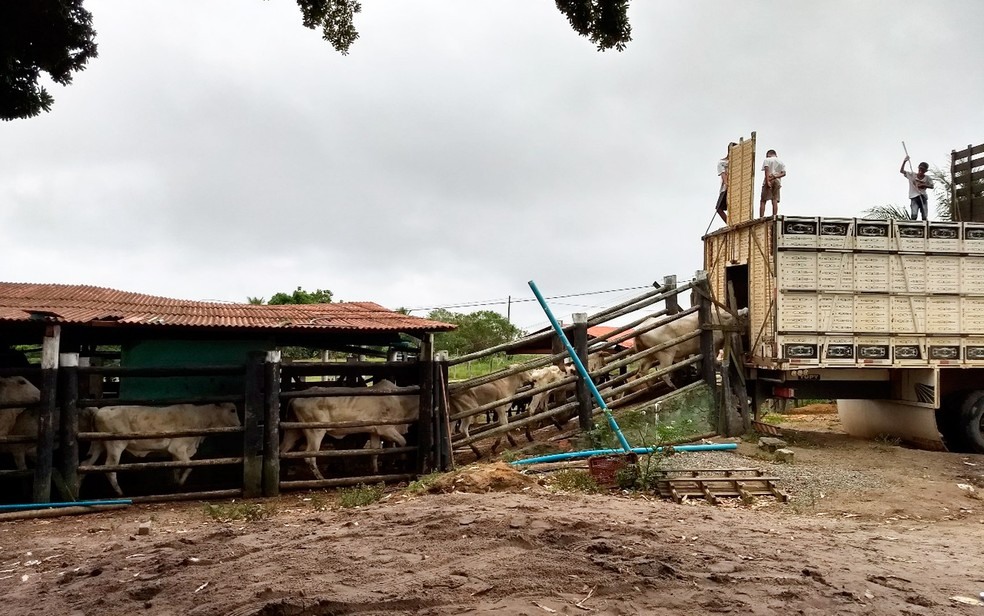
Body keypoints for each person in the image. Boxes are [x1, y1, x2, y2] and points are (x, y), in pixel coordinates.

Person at [900, 156, 934, 221]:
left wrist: (924, 185)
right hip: (914, 197)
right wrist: (905, 161)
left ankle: (925, 228)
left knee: (924, 216)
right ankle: (913, 227)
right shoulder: (912, 175)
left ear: (925, 171)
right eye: (920, 169)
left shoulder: (927, 178)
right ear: (918, 168)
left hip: (923, 197)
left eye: (923, 170)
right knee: (914, 215)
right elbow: (901, 171)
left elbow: (932, 186)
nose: (921, 171)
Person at [759, 149, 786, 218]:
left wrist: (768, 181)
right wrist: (775, 176)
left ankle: (761, 217)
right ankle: (774, 216)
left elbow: (767, 170)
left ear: (768, 155)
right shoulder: (781, 162)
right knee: (775, 199)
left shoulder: (767, 160)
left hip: (770, 179)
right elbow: (784, 173)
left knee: (763, 200)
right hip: (777, 181)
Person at [715, 143, 736, 223]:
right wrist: (727, 183)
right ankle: (730, 223)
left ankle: (729, 223)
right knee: (726, 207)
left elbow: (723, 175)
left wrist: (727, 184)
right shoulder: (723, 162)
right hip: (728, 187)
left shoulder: (723, 162)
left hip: (727, 188)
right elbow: (723, 174)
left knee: (719, 208)